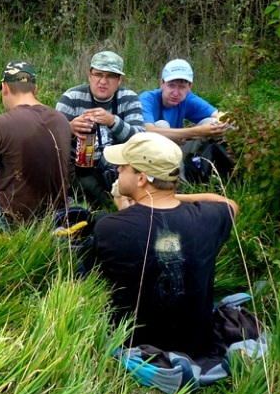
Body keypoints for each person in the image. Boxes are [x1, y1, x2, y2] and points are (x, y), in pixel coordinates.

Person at [88, 132, 239, 358]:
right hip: (197, 345)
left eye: (123, 167)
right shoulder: (208, 218)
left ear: (141, 179)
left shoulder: (109, 227)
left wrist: (129, 208)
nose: (117, 170)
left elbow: (98, 275)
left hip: (134, 344)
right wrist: (172, 196)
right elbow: (229, 204)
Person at [0, 61, 72, 223]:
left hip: (12, 215)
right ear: (35, 88)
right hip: (56, 213)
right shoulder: (62, 120)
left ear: (5, 88)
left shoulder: (0, 123)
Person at [56, 50, 145, 208]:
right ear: (89, 75)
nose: (103, 81)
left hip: (119, 165)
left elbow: (141, 139)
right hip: (81, 167)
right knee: (98, 195)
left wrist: (113, 122)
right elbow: (52, 139)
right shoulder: (71, 98)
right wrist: (69, 128)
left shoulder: (129, 98)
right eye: (98, 74)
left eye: (110, 76)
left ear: (119, 80)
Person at [139, 59, 229, 149]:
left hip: (178, 149)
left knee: (214, 124)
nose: (176, 93)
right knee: (162, 125)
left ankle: (209, 156)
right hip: (148, 153)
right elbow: (148, 131)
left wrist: (228, 121)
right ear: (162, 83)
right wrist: (196, 132)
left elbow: (220, 116)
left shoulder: (188, 99)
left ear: (189, 87)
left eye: (182, 87)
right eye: (171, 85)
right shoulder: (146, 99)